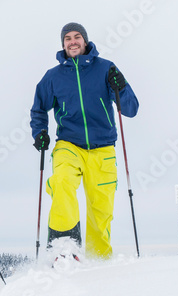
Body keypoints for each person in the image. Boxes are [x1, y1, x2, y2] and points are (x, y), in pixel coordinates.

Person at [30, 22, 139, 259]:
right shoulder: (53, 76)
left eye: (77, 36)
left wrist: (122, 88)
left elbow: (130, 109)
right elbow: (38, 109)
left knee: (101, 209)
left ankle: (98, 260)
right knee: (61, 181)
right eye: (67, 38)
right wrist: (39, 132)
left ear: (85, 40)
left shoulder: (106, 69)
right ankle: (63, 245)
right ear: (63, 44)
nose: (72, 41)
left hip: (103, 149)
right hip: (68, 144)